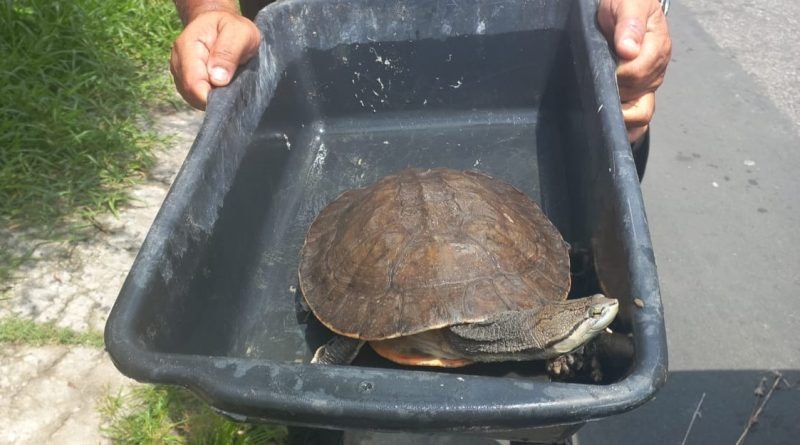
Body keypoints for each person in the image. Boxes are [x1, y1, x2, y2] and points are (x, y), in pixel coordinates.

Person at [170, 0, 671, 173]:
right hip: (314, 87)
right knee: (322, 393)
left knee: (561, 365)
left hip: (550, 84)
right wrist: (210, 12)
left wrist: (634, 23)